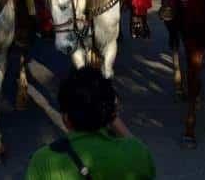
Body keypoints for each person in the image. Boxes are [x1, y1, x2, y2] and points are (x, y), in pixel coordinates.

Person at [26, 67, 156, 180]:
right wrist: (112, 116)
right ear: (111, 113)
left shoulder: (42, 161)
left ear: (66, 120)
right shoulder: (137, 153)